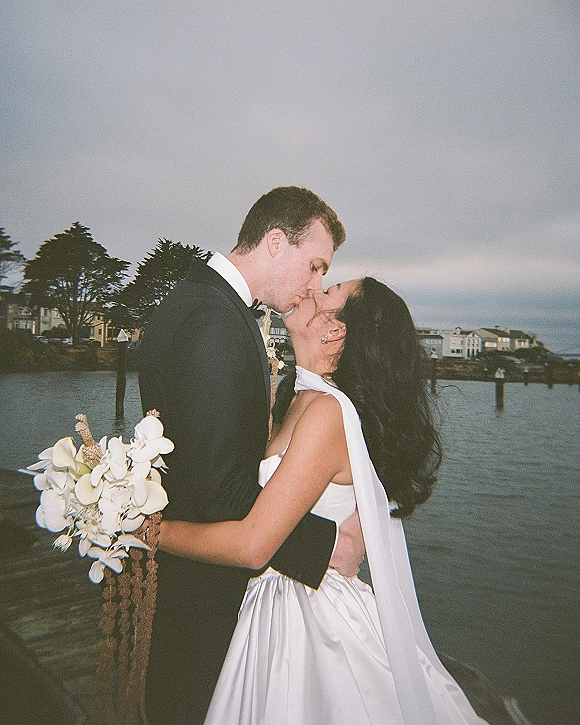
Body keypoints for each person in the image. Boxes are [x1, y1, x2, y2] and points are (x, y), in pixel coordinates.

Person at [158, 277, 490, 725]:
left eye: (327, 289)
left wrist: (152, 531)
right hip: (278, 594)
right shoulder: (298, 398)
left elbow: (254, 544)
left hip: (311, 616)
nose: (308, 288)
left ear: (336, 331)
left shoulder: (328, 413)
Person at [138, 186, 365, 725]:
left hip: (194, 581)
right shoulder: (217, 321)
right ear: (275, 242)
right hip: (204, 599)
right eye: (313, 266)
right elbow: (220, 491)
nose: (315, 287)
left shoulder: (198, 300)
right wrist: (327, 543)